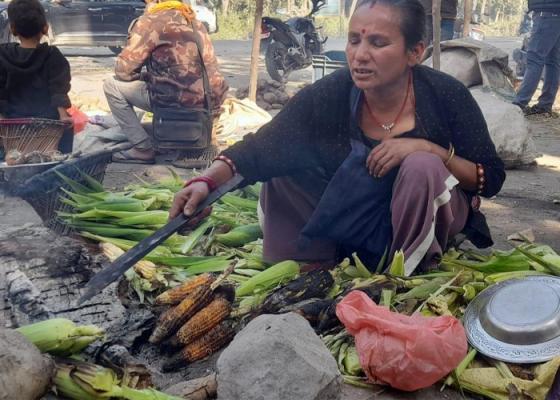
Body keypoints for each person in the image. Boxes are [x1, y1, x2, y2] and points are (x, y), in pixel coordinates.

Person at [170, 0, 505, 275]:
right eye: (354, 40)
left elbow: (490, 178)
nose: (360, 54)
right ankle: (312, 264)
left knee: (421, 166)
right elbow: (261, 148)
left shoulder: (445, 95)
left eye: (378, 43)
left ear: (415, 52)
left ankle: (403, 273)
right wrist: (205, 183)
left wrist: (428, 148)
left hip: (425, 218)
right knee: (286, 159)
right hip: (359, 212)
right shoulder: (331, 93)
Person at [104, 0, 229, 164]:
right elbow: (212, 72)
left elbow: (123, 71)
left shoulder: (151, 21)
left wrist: (143, 75)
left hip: (173, 101)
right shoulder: (194, 21)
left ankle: (142, 149)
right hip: (207, 103)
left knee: (111, 85)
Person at [0, 0, 73, 153]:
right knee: (67, 130)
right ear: (45, 28)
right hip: (47, 125)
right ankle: (60, 167)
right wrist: (63, 116)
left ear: (13, 29)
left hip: (11, 125)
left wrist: (2, 119)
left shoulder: (3, 55)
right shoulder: (53, 55)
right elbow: (58, 89)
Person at [513, 0, 560, 116]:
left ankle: (520, 103)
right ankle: (545, 105)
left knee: (534, 59)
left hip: (547, 13)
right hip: (555, 13)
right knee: (553, 61)